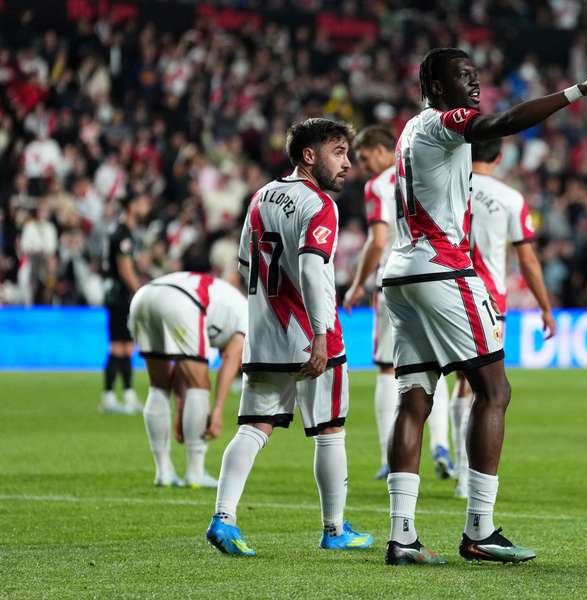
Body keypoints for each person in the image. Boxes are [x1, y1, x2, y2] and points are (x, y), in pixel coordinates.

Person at [382, 47, 587, 565]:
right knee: (494, 389)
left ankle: (402, 536)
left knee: (417, 400)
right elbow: (503, 122)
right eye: (461, 76)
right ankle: (479, 530)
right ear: (437, 87)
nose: (473, 82)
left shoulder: (409, 130)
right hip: (441, 267)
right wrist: (578, 90)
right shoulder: (446, 121)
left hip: (401, 274)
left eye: (476, 74)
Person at [205, 118, 373, 557]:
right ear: (309, 155)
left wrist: (266, 310)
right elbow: (315, 272)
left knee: (254, 428)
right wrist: (319, 334)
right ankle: (334, 528)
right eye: (338, 152)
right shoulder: (320, 205)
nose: (347, 163)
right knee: (330, 429)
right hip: (309, 334)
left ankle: (223, 518)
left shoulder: (261, 196)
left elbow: (244, 262)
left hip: (263, 336)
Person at [343, 125, 455, 482]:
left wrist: (357, 283)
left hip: (393, 281)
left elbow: (377, 242)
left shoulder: (377, 186)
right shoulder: (422, 170)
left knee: (388, 369)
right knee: (436, 364)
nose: (361, 166)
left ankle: (388, 455)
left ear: (380, 150)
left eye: (363, 158)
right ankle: (441, 446)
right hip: (434, 276)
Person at [451, 138, 556, 498]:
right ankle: (467, 476)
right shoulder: (510, 197)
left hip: (441, 290)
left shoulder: (446, 184)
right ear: (499, 156)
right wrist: (544, 306)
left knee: (433, 387)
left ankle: (444, 465)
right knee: (483, 388)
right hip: (486, 301)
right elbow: (527, 259)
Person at [129, 271, 247, 488]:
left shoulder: (227, 300)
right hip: (183, 303)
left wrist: (182, 408)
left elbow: (181, 366)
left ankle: (163, 471)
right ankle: (195, 472)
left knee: (159, 386)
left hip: (143, 298)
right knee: (200, 385)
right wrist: (218, 410)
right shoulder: (249, 316)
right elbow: (231, 357)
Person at [100, 193, 151, 415]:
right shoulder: (123, 234)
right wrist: (141, 293)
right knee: (119, 347)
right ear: (132, 206)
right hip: (120, 297)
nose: (145, 205)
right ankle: (109, 397)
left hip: (119, 296)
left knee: (127, 347)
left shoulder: (123, 232)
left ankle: (127, 395)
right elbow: (125, 270)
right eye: (142, 201)